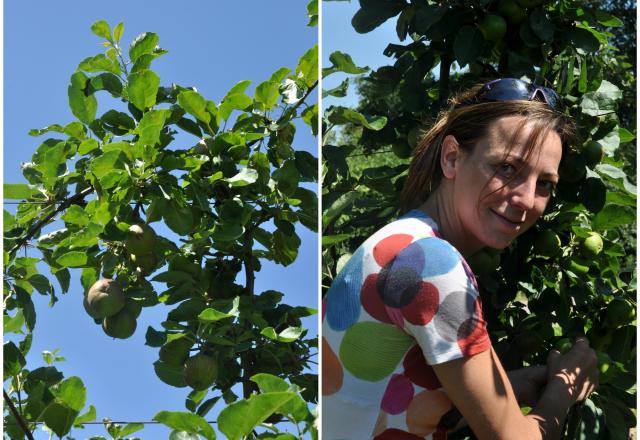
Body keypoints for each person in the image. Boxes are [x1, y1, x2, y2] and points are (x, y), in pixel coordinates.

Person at [322, 78, 599, 440]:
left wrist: (513, 385)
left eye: (544, 184)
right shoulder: (431, 265)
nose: (527, 199)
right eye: (506, 169)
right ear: (452, 158)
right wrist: (564, 388)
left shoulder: (404, 241)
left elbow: (390, 397)